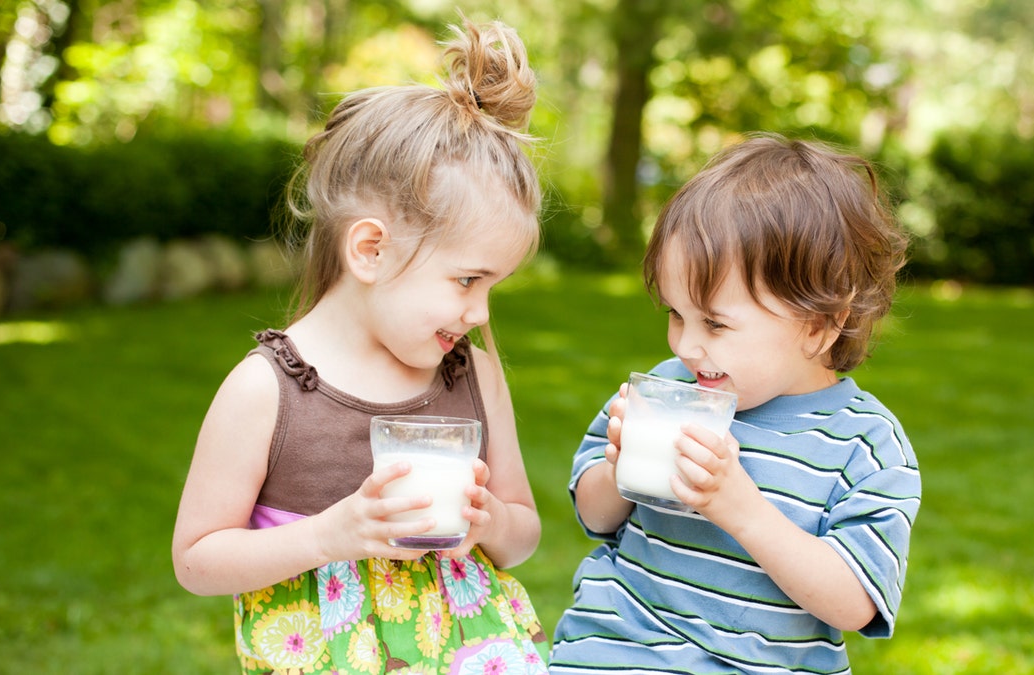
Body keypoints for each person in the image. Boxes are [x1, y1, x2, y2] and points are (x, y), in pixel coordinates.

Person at [172, 17, 549, 674]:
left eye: (495, 285)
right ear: (371, 249)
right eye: (467, 279)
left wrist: (488, 523)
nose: (481, 310)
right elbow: (197, 559)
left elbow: (522, 531)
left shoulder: (475, 375)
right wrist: (329, 534)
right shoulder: (268, 389)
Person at [549, 133, 921, 674]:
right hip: (615, 652)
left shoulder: (864, 445)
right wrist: (617, 465)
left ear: (818, 326)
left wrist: (738, 507)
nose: (685, 346)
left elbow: (856, 602)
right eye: (676, 314)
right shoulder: (669, 388)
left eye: (715, 324)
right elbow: (594, 514)